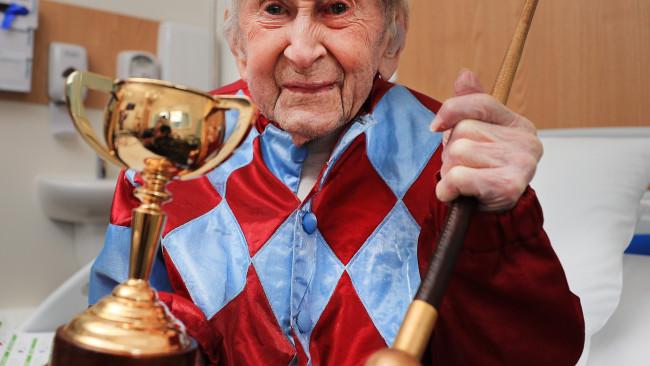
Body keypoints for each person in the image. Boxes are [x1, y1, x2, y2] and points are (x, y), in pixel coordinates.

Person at [89, 1, 584, 365]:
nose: (302, 51)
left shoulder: (456, 159)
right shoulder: (174, 147)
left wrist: (501, 219)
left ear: (390, 38)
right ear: (238, 42)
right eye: (275, 9)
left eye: (337, 8)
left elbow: (533, 355)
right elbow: (121, 332)